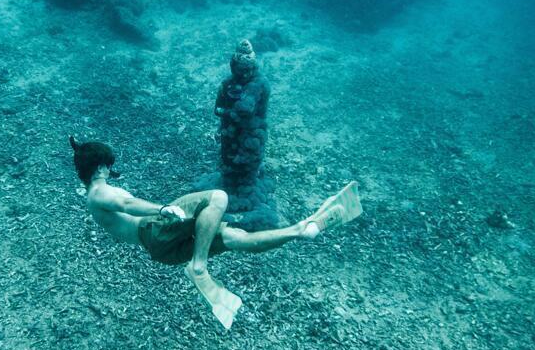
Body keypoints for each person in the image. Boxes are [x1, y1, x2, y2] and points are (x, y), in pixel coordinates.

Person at [69, 136, 361, 329]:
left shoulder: (94, 193)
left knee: (236, 238)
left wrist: (80, 150)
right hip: (155, 230)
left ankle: (300, 230)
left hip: (162, 248)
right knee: (218, 197)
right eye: (108, 165)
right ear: (101, 166)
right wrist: (161, 209)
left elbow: (118, 200)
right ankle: (199, 267)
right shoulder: (99, 192)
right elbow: (126, 202)